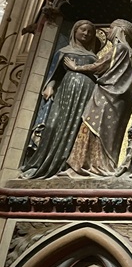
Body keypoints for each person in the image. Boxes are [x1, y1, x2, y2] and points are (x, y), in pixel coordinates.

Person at [21, 20, 99, 179]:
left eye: (90, 32)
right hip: (68, 91)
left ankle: (72, 163)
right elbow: (54, 74)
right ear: (75, 31)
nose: (86, 34)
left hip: (88, 92)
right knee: (59, 123)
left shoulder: (93, 56)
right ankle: (52, 161)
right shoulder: (64, 52)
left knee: (80, 127)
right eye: (83, 30)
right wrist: (50, 86)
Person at [64, 19, 132, 177]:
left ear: (119, 30)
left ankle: (90, 166)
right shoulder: (129, 53)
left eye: (111, 29)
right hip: (115, 99)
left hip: (107, 97)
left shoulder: (121, 48)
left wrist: (76, 67)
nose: (109, 32)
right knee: (102, 130)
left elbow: (99, 65)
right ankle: (86, 164)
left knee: (95, 128)